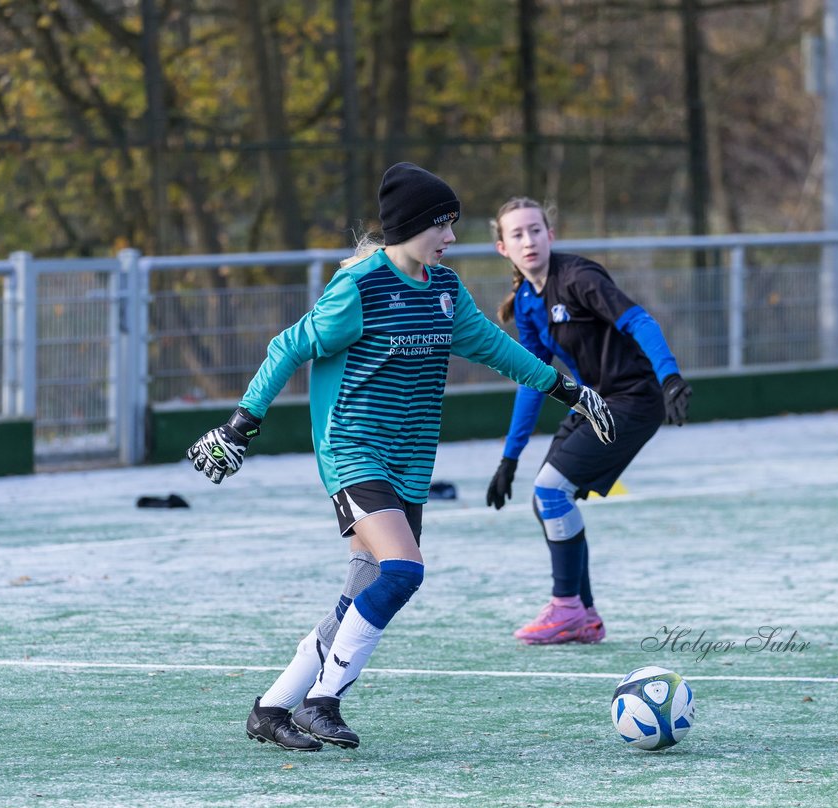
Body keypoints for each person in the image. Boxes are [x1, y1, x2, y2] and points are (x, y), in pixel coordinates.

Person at [187, 165, 617, 751]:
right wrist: (242, 425)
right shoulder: (359, 287)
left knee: (360, 591)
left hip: (408, 462)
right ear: (412, 227)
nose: (451, 237)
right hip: (352, 451)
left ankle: (271, 708)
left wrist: (570, 390)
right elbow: (287, 346)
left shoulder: (445, 289)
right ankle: (323, 701)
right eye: (443, 224)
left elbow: (498, 350)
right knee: (404, 571)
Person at [485, 197, 692, 645]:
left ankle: (566, 608)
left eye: (535, 230)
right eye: (516, 234)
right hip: (593, 402)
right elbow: (531, 379)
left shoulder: (579, 277)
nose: (528, 240)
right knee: (546, 500)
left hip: (634, 398)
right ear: (503, 248)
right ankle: (585, 614)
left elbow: (639, 321)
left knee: (551, 491)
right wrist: (509, 458)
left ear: (551, 235)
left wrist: (670, 376)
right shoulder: (526, 301)